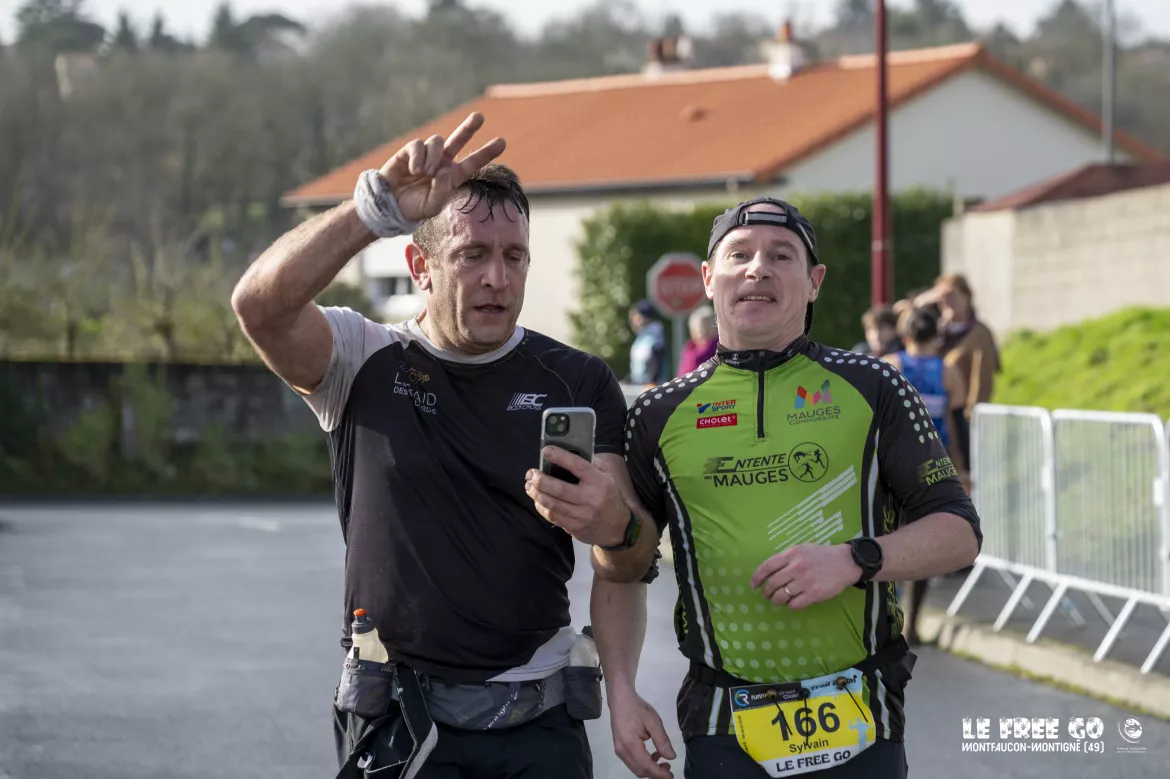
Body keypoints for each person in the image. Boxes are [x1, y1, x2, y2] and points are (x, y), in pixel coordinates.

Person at [232, 112, 648, 779]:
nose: (497, 278)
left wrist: (615, 526)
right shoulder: (362, 357)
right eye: (472, 254)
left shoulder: (575, 379)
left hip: (538, 721)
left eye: (514, 257)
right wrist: (373, 210)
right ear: (420, 266)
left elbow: (630, 560)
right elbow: (260, 307)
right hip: (398, 716)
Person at [592, 197, 982, 779]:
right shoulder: (657, 414)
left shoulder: (875, 387)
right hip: (721, 721)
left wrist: (856, 559)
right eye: (740, 255)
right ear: (709, 279)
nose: (758, 269)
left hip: (861, 715)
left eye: (781, 256)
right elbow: (623, 567)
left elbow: (960, 531)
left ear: (814, 281)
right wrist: (621, 693)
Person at [880, 306, 969, 646]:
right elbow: (958, 425)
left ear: (905, 335)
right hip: (932, 467)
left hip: (889, 465)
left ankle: (881, 622)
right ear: (937, 336)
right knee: (921, 546)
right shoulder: (948, 372)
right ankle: (911, 626)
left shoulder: (890, 366)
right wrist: (962, 467)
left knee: (886, 540)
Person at [913, 274, 1000, 472]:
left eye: (952, 295)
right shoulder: (936, 330)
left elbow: (982, 378)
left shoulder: (978, 333)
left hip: (961, 415)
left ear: (966, 297)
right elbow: (908, 337)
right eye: (942, 297)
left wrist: (972, 415)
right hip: (932, 415)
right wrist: (920, 305)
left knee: (962, 471)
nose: (947, 302)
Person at [628, 299, 669, 386]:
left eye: (634, 317)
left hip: (652, 387)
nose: (632, 321)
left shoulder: (655, 337)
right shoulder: (642, 337)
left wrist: (652, 383)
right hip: (641, 386)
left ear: (643, 318)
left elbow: (657, 365)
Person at [677, 305, 717, 376]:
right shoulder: (689, 351)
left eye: (708, 328)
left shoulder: (722, 349)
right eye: (700, 329)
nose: (704, 332)